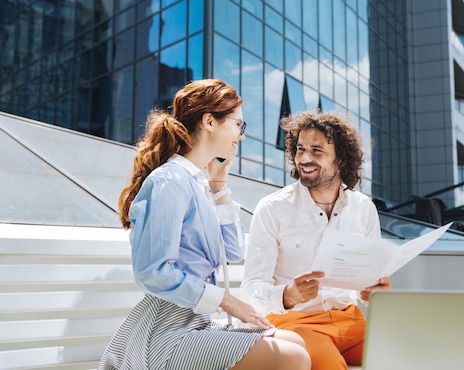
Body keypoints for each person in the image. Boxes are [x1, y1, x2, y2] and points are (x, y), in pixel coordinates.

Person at [99, 79, 311, 370]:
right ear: (209, 121)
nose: (241, 135)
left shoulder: (198, 183)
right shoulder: (168, 181)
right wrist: (226, 300)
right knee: (292, 357)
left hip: (197, 321)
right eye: (238, 125)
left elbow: (234, 252)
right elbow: (152, 272)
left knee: (296, 343)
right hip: (168, 330)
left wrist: (219, 183)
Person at [241, 111, 392, 370]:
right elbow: (250, 290)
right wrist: (287, 295)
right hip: (296, 323)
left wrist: (374, 293)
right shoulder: (272, 208)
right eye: (300, 149)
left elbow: (367, 282)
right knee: (330, 365)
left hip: (351, 321)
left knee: (406, 354)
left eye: (317, 151)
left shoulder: (363, 208)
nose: (305, 158)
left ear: (341, 159)